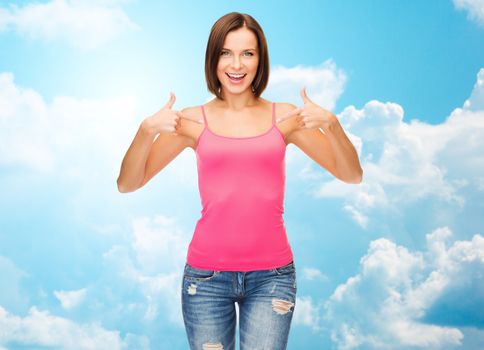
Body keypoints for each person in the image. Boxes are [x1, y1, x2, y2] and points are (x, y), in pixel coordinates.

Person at [117, 11, 362, 350]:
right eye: (226, 53)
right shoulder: (190, 120)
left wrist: (332, 124)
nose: (237, 64)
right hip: (205, 279)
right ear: (213, 58)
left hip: (273, 278)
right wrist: (145, 131)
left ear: (260, 60)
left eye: (248, 53)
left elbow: (351, 174)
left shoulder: (285, 117)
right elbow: (128, 183)